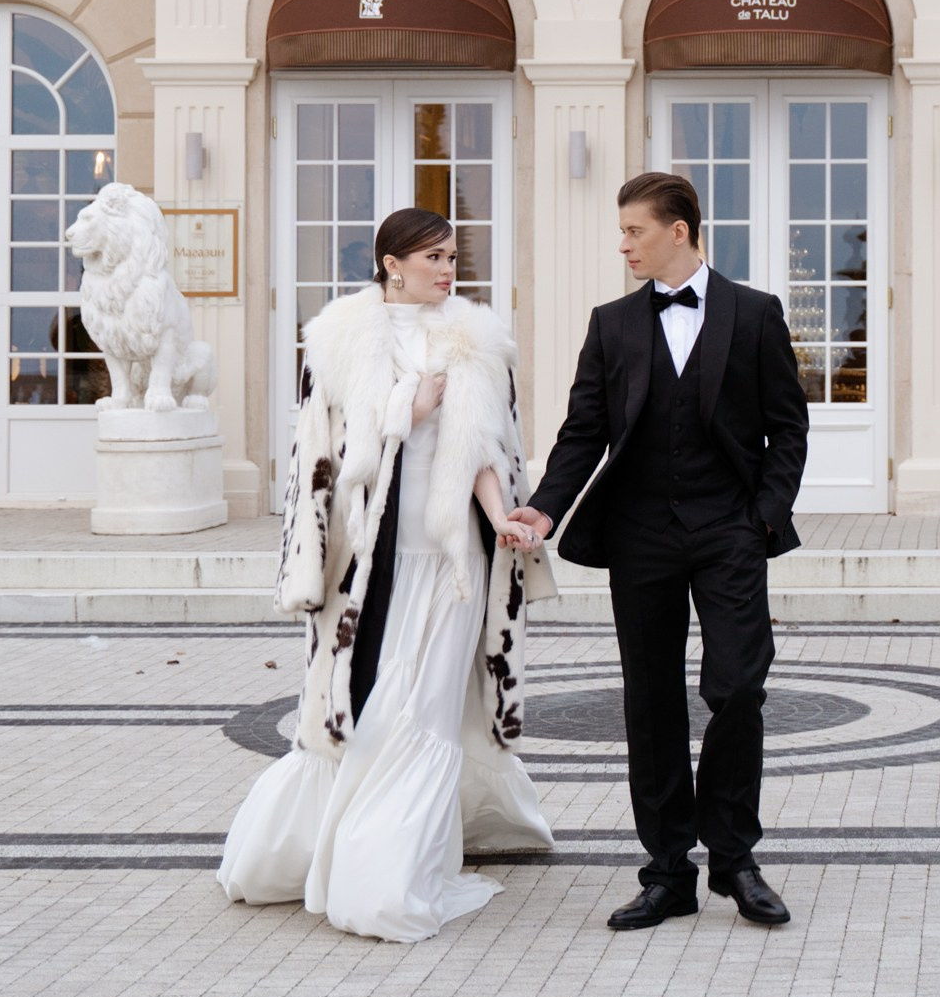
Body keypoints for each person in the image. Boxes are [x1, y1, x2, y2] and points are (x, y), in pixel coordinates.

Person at [218, 204, 554, 943]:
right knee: (372, 700)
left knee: (429, 707)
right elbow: (335, 459)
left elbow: (484, 452)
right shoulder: (339, 341)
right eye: (431, 256)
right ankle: (348, 859)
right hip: (373, 566)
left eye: (450, 256)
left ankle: (402, 868)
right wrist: (408, 405)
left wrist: (502, 517)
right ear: (390, 264)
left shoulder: (475, 341)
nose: (446, 268)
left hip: (453, 562)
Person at [504, 171, 808, 932]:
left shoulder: (755, 313)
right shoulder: (612, 324)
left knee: (738, 688)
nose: (624, 244)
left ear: (679, 231)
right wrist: (544, 509)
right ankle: (667, 871)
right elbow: (584, 432)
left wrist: (764, 517)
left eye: (634, 230)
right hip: (640, 533)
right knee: (650, 700)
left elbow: (788, 428)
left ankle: (735, 860)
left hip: (728, 529)